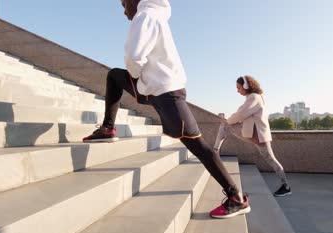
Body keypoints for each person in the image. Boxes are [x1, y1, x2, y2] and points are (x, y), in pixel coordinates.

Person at [82, 0, 250, 219]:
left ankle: (236, 198)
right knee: (114, 75)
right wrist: (138, 80)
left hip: (167, 94)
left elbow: (133, 57)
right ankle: (108, 128)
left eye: (124, 4)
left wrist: (135, 75)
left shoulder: (146, 16)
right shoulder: (155, 16)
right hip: (153, 89)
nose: (124, 12)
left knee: (198, 145)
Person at [214, 76, 292, 197]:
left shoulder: (254, 97)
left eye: (239, 88)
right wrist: (229, 120)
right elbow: (243, 115)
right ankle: (215, 151)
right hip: (253, 135)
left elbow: (240, 114)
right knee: (225, 124)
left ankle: (286, 186)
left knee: (272, 161)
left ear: (246, 86)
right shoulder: (254, 97)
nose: (238, 91)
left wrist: (228, 120)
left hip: (257, 137)